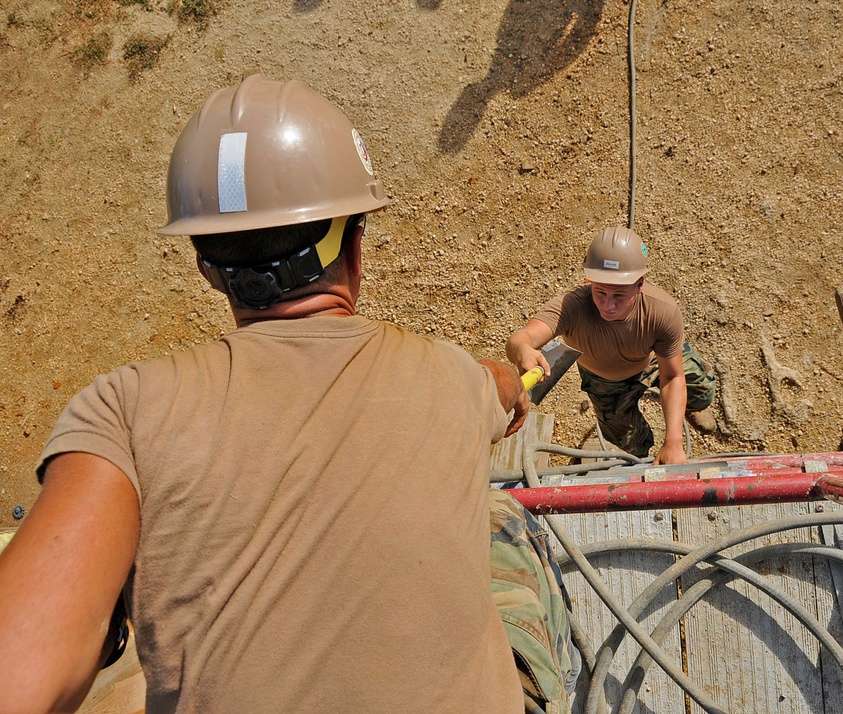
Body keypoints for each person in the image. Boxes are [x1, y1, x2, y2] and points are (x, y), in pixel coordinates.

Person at [0, 75, 575, 713]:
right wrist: (511, 390)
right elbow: (498, 383)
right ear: (355, 244)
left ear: (205, 265)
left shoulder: (123, 410)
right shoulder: (450, 376)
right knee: (506, 525)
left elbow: (21, 675)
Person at [506, 226, 717, 465]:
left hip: (652, 360)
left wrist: (674, 442)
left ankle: (689, 408)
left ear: (639, 284)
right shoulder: (571, 307)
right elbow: (520, 339)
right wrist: (523, 350)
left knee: (703, 390)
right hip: (604, 380)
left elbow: (672, 376)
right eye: (600, 292)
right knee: (632, 445)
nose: (607, 305)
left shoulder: (663, 312)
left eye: (618, 295)